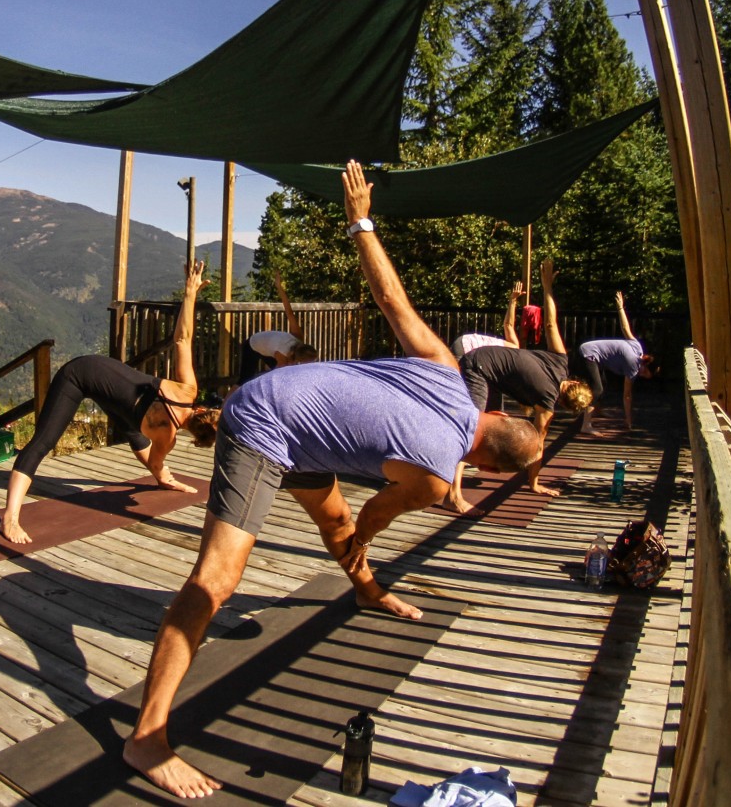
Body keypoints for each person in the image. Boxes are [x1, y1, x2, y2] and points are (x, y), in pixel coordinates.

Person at [123, 162, 545, 799]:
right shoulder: (434, 480)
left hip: (297, 415)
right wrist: (370, 535)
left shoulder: (450, 371)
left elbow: (391, 299)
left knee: (337, 521)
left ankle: (368, 593)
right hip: (263, 423)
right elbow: (375, 521)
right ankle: (147, 737)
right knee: (218, 579)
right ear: (483, 468)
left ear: (493, 414)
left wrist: (362, 222)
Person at [0, 260, 219, 545]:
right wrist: (163, 476)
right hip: (77, 378)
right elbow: (155, 461)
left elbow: (183, 339)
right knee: (43, 441)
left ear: (203, 410)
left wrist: (190, 294)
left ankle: (12, 515)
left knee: (133, 428)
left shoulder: (187, 390)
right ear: (198, 438)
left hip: (93, 367)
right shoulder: (167, 437)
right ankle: (10, 517)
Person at [454, 260, 594, 502]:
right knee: (472, 428)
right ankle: (453, 495)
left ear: (573, 383)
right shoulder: (548, 403)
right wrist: (535, 484)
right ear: (564, 404)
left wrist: (547, 287)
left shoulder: (561, 361)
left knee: (495, 422)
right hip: (478, 366)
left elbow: (550, 323)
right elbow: (538, 446)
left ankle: (479, 460)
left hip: (488, 367)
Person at [577, 290, 659, 431]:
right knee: (597, 389)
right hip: (589, 354)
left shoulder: (637, 347)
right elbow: (627, 396)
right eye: (645, 373)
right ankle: (586, 425)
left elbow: (625, 327)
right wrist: (628, 420)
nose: (642, 375)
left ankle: (597, 410)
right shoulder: (634, 366)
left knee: (603, 382)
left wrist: (620, 308)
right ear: (645, 366)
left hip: (596, 356)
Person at [239, 266, 318, 383]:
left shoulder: (298, 339)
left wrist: (280, 288)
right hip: (253, 345)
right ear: (300, 360)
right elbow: (279, 377)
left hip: (269, 347)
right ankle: (226, 401)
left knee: (285, 374)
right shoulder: (282, 355)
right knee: (243, 382)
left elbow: (290, 313)